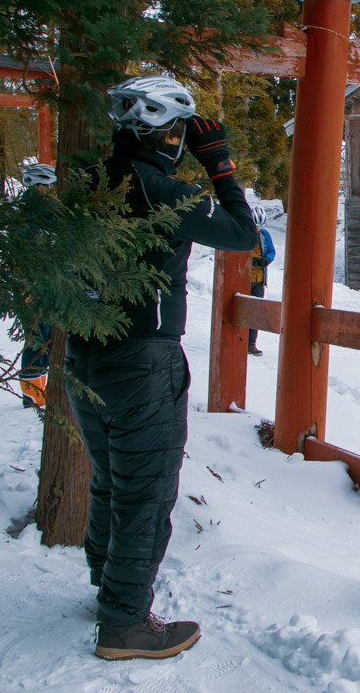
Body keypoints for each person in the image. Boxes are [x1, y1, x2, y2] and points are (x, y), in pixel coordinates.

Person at [66, 74, 257, 661]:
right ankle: (125, 624)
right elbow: (242, 234)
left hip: (85, 352)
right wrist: (218, 162)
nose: (182, 141)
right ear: (167, 132)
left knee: (108, 478)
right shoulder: (161, 190)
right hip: (142, 358)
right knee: (145, 495)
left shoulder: (87, 182)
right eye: (180, 130)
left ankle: (109, 588)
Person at [16, 163, 57, 408]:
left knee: (44, 334)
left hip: (46, 281)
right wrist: (27, 285)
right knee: (36, 336)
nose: (51, 191)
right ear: (36, 186)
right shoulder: (29, 212)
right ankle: (32, 395)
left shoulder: (39, 209)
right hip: (34, 284)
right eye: (47, 186)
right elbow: (23, 253)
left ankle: (37, 391)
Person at [246, 205, 275, 357]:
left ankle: (251, 344)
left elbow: (272, 251)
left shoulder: (265, 235)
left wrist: (266, 260)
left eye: (260, 227)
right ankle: (240, 339)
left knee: (255, 312)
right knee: (243, 309)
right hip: (245, 278)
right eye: (256, 226)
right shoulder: (245, 233)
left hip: (259, 279)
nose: (258, 229)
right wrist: (250, 260)